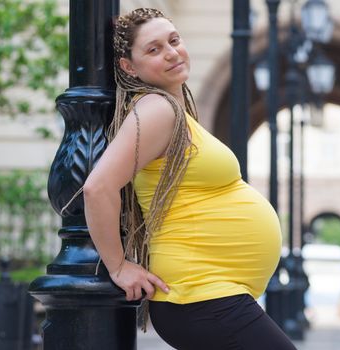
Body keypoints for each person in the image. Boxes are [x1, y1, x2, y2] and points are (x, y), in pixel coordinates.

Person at [82, 8, 297, 350]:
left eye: (174, 40)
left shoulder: (172, 111)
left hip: (208, 294)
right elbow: (98, 187)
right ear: (129, 67)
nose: (170, 52)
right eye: (153, 49)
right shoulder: (156, 109)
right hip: (198, 294)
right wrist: (119, 266)